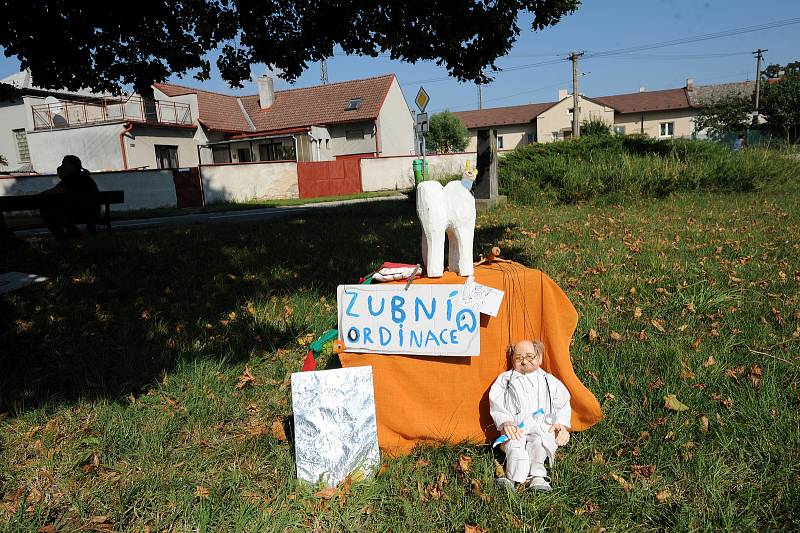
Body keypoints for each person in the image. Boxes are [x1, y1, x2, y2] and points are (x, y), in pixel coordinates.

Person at [489, 339, 571, 492]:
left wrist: (561, 424)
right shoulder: (506, 380)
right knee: (515, 445)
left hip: (541, 425)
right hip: (516, 427)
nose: (525, 361)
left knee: (539, 444)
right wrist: (506, 421)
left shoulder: (549, 381)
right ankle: (512, 478)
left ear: (539, 358)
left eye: (529, 356)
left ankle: (537, 476)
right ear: (512, 360)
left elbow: (562, 402)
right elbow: (496, 401)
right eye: (519, 358)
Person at [39, 155, 100, 240]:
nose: (62, 166)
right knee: (54, 215)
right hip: (92, 211)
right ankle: (72, 236)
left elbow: (56, 191)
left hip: (79, 212)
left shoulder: (73, 177)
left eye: (64, 163)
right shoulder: (84, 176)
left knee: (50, 213)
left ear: (72, 165)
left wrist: (42, 194)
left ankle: (66, 238)